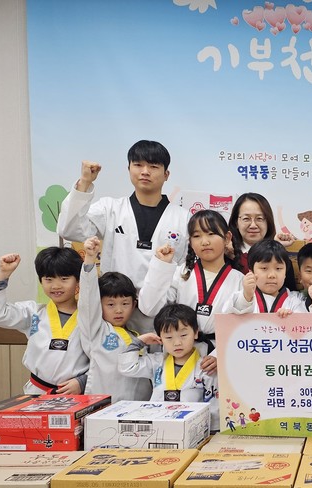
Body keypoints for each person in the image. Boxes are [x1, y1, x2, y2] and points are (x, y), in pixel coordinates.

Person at [56, 140, 190, 293]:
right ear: (129, 169)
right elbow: (69, 230)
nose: (145, 171)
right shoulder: (110, 208)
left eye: (153, 166)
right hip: (114, 301)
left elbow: (187, 269)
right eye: (138, 165)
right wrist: (85, 182)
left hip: (164, 304)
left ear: (166, 174)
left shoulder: (183, 218)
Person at [0, 247, 88, 395]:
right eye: (48, 279)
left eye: (64, 279)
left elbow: (104, 359)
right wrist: (3, 275)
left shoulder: (91, 318)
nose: (56, 286)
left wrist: (83, 381)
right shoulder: (33, 313)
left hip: (77, 394)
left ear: (78, 280)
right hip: (37, 393)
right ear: (41, 281)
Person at [138, 209, 244, 349]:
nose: (205, 242)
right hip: (179, 351)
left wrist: (218, 355)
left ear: (227, 238)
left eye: (211, 234)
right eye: (197, 236)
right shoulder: (180, 274)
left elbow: (243, 328)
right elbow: (149, 308)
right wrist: (162, 265)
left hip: (220, 352)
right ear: (190, 242)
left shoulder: (240, 280)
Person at [118, 303, 218, 429]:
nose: (177, 343)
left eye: (183, 335)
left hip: (192, 427)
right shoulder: (156, 362)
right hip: (156, 424)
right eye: (169, 337)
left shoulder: (205, 367)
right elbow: (127, 367)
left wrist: (211, 431)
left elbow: (214, 404)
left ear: (195, 333)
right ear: (160, 338)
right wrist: (139, 342)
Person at [78, 237, 151, 402]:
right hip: (103, 407)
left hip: (138, 408)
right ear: (99, 305)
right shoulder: (95, 331)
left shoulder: (137, 336)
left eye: (125, 303)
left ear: (134, 305)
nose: (119, 310)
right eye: (110, 304)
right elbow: (88, 300)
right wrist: (90, 259)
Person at [228, 193, 297, 289]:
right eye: (246, 218)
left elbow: (289, 294)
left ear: (268, 222)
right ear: (236, 222)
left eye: (259, 218)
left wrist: (276, 247)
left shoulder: (281, 259)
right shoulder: (225, 256)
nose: (253, 225)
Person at [221, 239, 304, 315]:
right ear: (251, 271)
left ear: (285, 272)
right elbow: (228, 317)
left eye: (278, 268)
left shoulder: (294, 301)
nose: (272, 275)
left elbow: (303, 323)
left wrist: (290, 319)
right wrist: (246, 296)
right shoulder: (242, 297)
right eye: (264, 268)